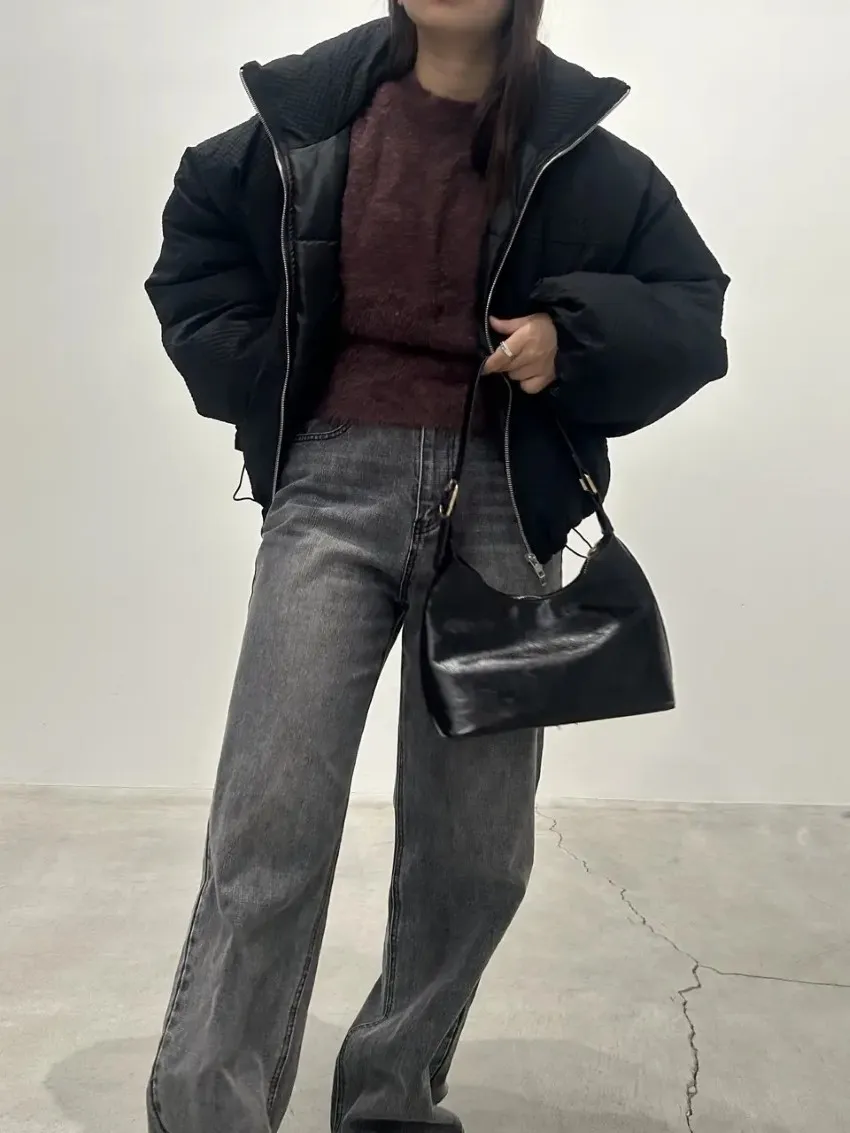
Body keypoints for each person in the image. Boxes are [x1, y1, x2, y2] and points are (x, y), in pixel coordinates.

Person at [143, 2, 729, 1131]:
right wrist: (268, 372)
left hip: (503, 498)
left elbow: (691, 308)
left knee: (476, 851)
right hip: (331, 488)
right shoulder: (305, 122)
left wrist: (569, 335)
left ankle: (392, 1096)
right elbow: (198, 257)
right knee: (269, 825)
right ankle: (210, 1110)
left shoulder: (581, 150)